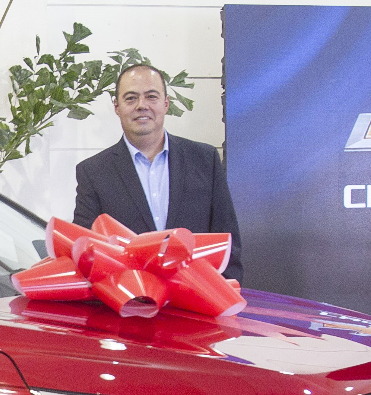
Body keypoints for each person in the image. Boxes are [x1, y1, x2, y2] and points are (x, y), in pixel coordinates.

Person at [73, 63, 244, 281]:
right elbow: (85, 252)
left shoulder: (204, 160)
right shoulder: (93, 172)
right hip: (127, 305)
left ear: (165, 103)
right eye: (131, 98)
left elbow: (228, 244)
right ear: (117, 107)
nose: (141, 105)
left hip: (197, 303)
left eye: (151, 96)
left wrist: (222, 299)